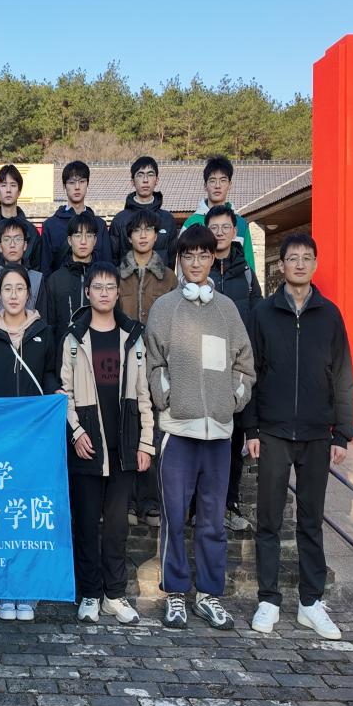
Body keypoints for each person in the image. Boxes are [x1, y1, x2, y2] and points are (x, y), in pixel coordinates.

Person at [243, 233, 353, 641]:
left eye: (307, 258)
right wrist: (251, 428)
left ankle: (311, 602)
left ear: (315, 264)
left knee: (311, 520)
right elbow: (250, 372)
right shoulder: (263, 313)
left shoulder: (330, 315)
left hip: (316, 433)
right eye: (293, 258)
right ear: (282, 265)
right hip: (272, 431)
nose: (300, 264)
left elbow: (342, 375)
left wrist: (342, 433)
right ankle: (268, 599)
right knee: (269, 520)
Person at [144, 225, 255, 632]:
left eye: (203, 255)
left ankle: (209, 594)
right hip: (178, 430)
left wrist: (232, 400)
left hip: (219, 433)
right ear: (180, 260)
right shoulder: (165, 308)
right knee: (174, 516)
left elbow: (245, 364)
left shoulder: (227, 310)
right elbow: (153, 362)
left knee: (212, 520)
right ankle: (175, 592)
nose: (196, 262)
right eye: (188, 255)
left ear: (213, 258)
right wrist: (167, 397)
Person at [61, 262, 154, 626]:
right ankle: (89, 593)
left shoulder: (132, 336)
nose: (103, 292)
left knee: (116, 527)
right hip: (87, 445)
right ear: (87, 292)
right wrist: (76, 432)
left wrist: (145, 443)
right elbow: (65, 393)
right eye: (97, 286)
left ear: (118, 293)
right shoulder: (73, 338)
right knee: (86, 524)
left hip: (123, 446)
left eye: (109, 287)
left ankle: (114, 594)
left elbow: (144, 394)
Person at [0, 265, 59, 622]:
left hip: (34, 439)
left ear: (29, 293)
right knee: (0, 514)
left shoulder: (44, 332)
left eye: (19, 288)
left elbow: (50, 375)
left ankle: (27, 592)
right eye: (7, 289)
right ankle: (2, 590)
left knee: (27, 514)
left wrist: (56, 394)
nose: (13, 295)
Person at [117, 208, 178, 529]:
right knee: (126, 428)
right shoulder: (117, 274)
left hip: (157, 363)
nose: (142, 235)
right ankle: (127, 500)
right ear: (129, 237)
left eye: (148, 230)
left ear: (156, 236)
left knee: (153, 431)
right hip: (123, 362)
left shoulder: (169, 277)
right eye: (137, 230)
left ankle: (151, 502)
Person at [205, 205, 261, 533]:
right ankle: (199, 506)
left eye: (225, 227)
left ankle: (229, 504)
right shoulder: (201, 269)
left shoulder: (246, 273)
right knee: (203, 441)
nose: (220, 233)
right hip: (204, 369)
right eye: (214, 227)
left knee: (233, 439)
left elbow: (257, 317)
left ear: (234, 230)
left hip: (236, 368)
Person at [179, 155, 256, 270]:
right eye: (212, 180)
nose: (217, 186)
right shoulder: (191, 223)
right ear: (205, 186)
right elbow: (182, 265)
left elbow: (249, 266)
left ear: (230, 184)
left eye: (223, 180)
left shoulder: (240, 223)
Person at [44, 213, 99, 356]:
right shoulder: (55, 280)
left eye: (89, 235)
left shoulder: (103, 278)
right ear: (69, 240)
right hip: (63, 356)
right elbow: (49, 327)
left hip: (97, 353)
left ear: (95, 240)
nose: (83, 241)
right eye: (77, 235)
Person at [109, 156, 178, 268]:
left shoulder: (167, 219)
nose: (145, 180)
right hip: (127, 278)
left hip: (160, 278)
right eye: (140, 175)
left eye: (150, 175)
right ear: (132, 181)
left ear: (157, 180)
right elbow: (113, 260)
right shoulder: (120, 220)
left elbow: (171, 260)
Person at [41, 161, 110, 271]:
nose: (77, 187)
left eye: (82, 182)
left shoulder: (100, 225)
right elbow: (45, 269)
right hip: (61, 282)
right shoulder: (50, 225)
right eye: (72, 182)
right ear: (64, 186)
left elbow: (107, 265)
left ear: (88, 184)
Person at [0, 164, 47, 275]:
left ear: (19, 192)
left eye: (13, 185)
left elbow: (37, 271)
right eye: (4, 185)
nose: (8, 190)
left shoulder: (32, 232)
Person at [0, 219, 47, 316]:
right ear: (0, 247)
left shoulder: (37, 279)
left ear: (25, 245)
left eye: (17, 239)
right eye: (7, 239)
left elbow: (42, 318)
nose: (12, 245)